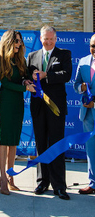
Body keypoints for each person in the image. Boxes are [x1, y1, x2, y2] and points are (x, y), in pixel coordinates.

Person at [27, 25, 72, 200]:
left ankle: (59, 185)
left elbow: (66, 74)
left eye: (51, 39)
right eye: (45, 38)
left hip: (56, 107)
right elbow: (27, 75)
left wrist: (47, 75)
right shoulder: (32, 56)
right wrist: (28, 82)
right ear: (40, 38)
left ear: (56, 39)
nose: (48, 41)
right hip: (38, 107)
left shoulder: (64, 54)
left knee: (57, 144)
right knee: (41, 144)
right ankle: (42, 181)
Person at [0, 30, 35, 195]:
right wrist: (24, 87)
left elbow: (24, 76)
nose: (19, 44)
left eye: (20, 41)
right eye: (16, 41)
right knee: (5, 139)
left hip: (18, 101)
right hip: (6, 100)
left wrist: (26, 80)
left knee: (13, 141)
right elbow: (5, 83)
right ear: (8, 42)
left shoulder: (21, 59)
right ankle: (2, 177)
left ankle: (11, 176)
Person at [73, 34, 95, 194]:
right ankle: (93, 183)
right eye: (93, 45)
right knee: (91, 149)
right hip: (87, 113)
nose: (94, 49)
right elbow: (75, 84)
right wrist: (81, 88)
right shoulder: (83, 61)